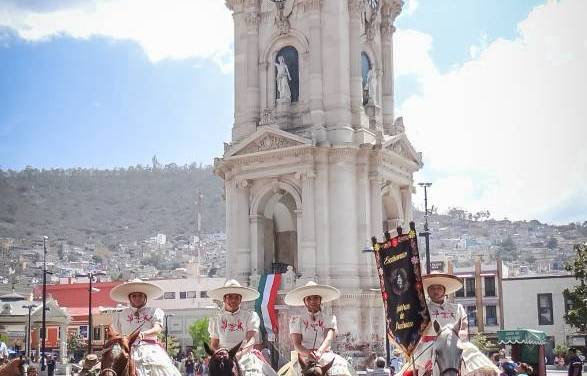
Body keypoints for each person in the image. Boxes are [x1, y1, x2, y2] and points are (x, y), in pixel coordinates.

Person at [110, 279, 181, 376]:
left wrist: (143, 334)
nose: (137, 298)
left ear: (145, 297)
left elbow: (157, 329)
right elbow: (115, 333)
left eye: (140, 295)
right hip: (126, 349)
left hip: (149, 348)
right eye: (134, 296)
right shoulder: (120, 315)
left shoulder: (154, 311)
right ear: (129, 298)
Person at [282, 281, 354, 376]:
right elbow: (297, 344)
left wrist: (319, 352)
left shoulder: (329, 318)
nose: (312, 301)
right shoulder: (296, 320)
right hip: (304, 355)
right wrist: (308, 353)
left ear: (320, 300)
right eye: (309, 298)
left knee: (342, 370)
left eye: (316, 297)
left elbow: (328, 338)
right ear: (304, 301)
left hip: (324, 354)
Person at [207, 279, 276, 375]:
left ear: (241, 300)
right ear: (224, 299)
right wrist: (220, 356)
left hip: (245, 355)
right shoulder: (216, 319)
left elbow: (251, 340)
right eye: (229, 297)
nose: (233, 300)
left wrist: (239, 354)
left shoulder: (250, 316)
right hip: (224, 358)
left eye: (237, 297)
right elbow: (214, 344)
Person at [408, 273, 468, 376]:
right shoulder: (422, 309)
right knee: (423, 365)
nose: (436, 291)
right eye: (432, 288)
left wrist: (461, 335)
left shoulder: (457, 308)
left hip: (453, 343)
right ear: (428, 291)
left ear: (444, 290)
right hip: (428, 345)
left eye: (439, 288)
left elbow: (464, 326)